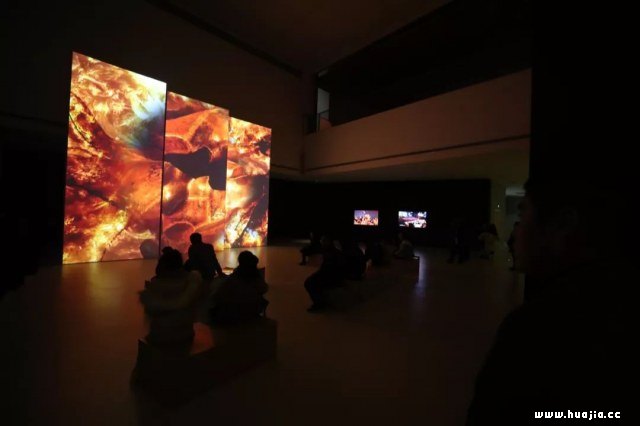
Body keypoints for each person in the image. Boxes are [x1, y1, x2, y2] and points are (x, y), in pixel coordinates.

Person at [466, 179, 636, 425]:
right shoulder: (617, 302)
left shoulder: (538, 326)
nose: (517, 232)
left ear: (563, 224)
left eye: (523, 215)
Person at [139, 247, 202, 348]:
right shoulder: (192, 281)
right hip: (186, 334)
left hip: (160, 338)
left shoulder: (155, 288)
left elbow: (151, 312)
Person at [209, 251, 269, 325]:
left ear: (240, 262)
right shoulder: (256, 278)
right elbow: (264, 289)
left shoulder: (233, 279)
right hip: (252, 310)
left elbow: (217, 296)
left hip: (236, 313)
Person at [304, 235, 346, 312]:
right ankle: (320, 301)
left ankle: (319, 304)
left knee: (309, 283)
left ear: (329, 242)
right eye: (322, 241)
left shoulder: (332, 253)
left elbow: (330, 269)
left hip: (332, 277)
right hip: (330, 275)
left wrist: (318, 275)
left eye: (324, 241)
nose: (322, 242)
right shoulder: (331, 251)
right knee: (311, 281)